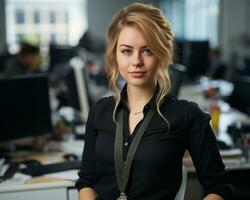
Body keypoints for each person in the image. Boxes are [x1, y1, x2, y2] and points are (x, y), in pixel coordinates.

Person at [76, 3, 234, 200]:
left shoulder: (186, 115)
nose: (136, 61)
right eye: (126, 51)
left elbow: (219, 187)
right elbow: (86, 181)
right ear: (115, 55)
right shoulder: (100, 111)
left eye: (147, 51)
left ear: (161, 54)